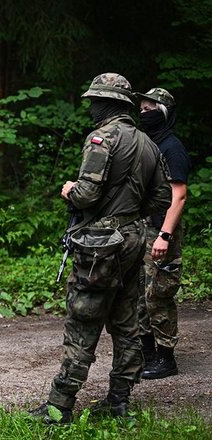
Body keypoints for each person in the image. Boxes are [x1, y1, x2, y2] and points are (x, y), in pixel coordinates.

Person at [30, 73, 171, 423]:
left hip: (100, 246)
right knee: (127, 325)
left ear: (108, 103)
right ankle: (119, 403)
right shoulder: (148, 143)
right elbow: (163, 197)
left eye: (95, 100)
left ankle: (58, 407)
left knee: (83, 320)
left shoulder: (101, 139)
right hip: (133, 239)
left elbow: (87, 194)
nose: (91, 106)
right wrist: (129, 214)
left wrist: (69, 190)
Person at [135, 87, 191, 380]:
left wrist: (165, 235)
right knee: (138, 294)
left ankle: (166, 358)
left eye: (151, 109)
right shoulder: (147, 144)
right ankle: (146, 354)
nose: (145, 114)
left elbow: (179, 195)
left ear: (165, 113)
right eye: (142, 110)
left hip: (161, 230)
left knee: (158, 293)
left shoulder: (171, 147)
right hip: (143, 229)